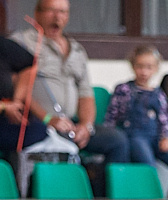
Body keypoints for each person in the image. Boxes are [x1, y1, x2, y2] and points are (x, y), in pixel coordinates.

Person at [10, 0, 130, 171]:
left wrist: (86, 126)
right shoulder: (21, 42)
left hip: (71, 124)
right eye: (51, 11)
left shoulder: (77, 50)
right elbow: (17, 88)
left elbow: (86, 94)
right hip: (39, 123)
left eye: (62, 12)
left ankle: (105, 196)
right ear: (38, 13)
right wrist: (48, 119)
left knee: (117, 140)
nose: (57, 17)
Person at [104, 46, 168, 197]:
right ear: (133, 66)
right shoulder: (124, 89)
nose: (144, 72)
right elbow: (112, 116)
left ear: (156, 69)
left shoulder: (159, 94)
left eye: (149, 67)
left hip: (155, 137)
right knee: (148, 167)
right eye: (140, 66)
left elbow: (165, 120)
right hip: (134, 136)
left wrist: (166, 137)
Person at [0, 38, 48, 155]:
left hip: (4, 121)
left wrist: (17, 101)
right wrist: (5, 107)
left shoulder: (3, 46)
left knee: (38, 131)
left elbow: (28, 65)